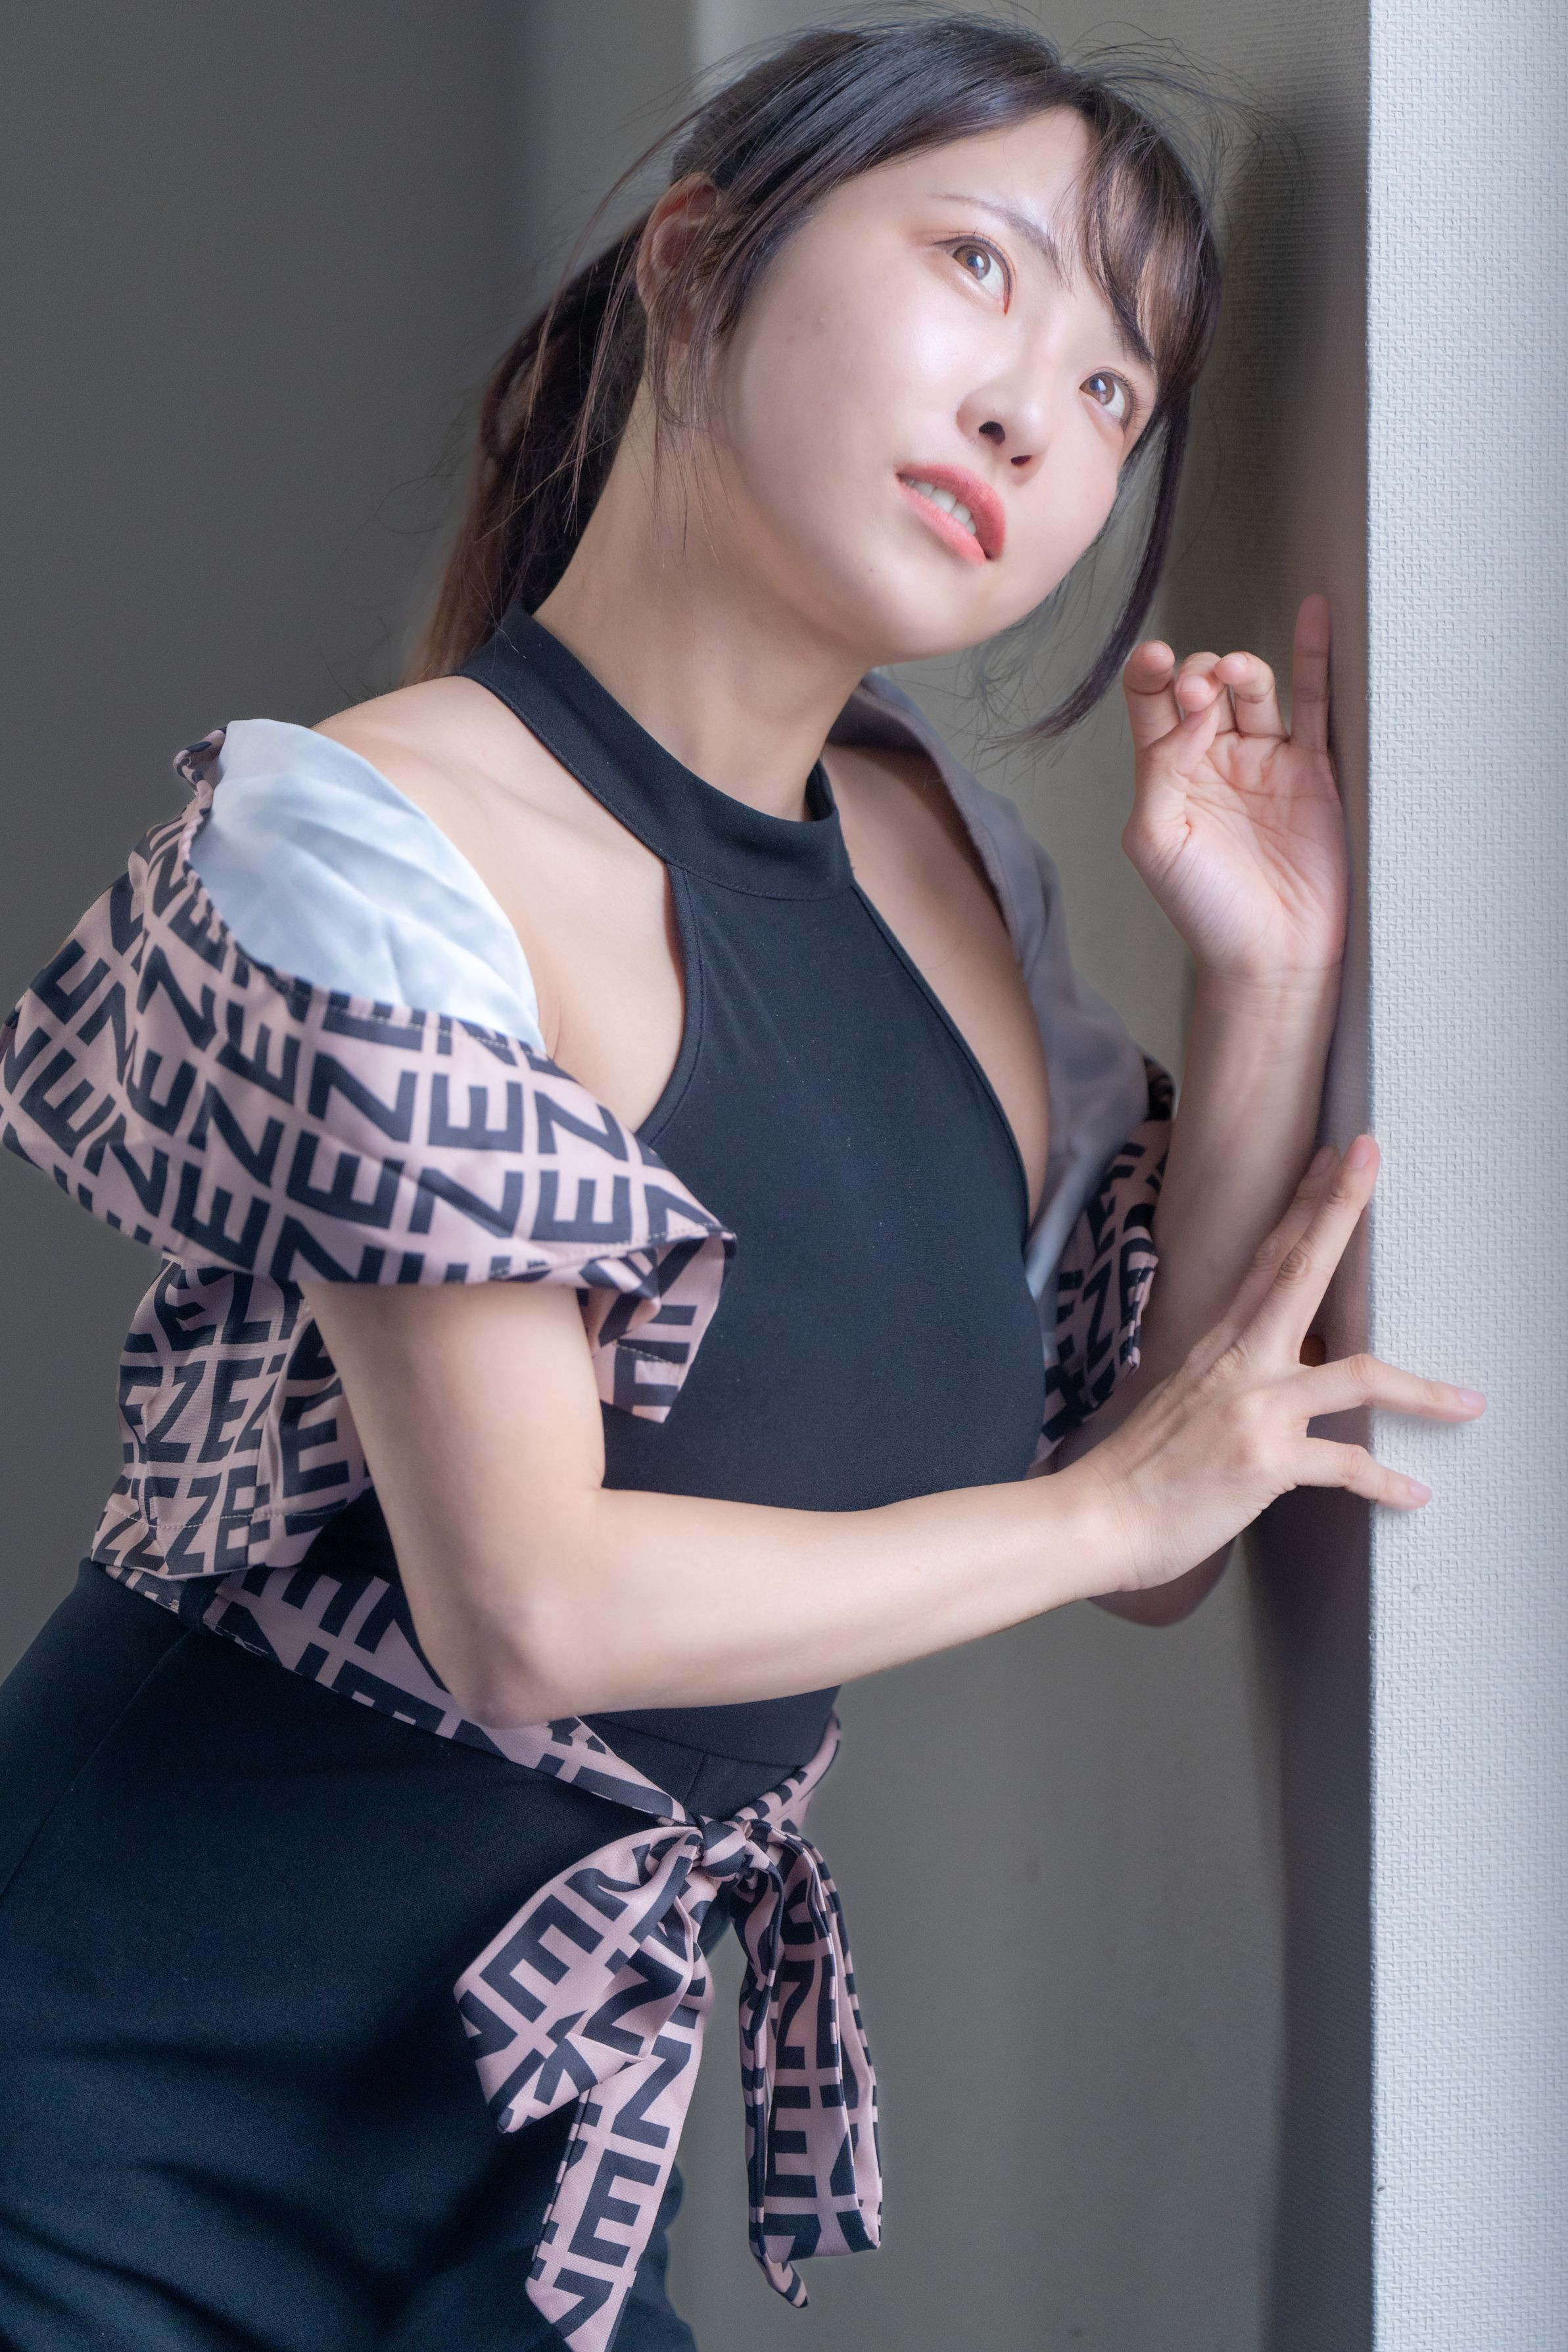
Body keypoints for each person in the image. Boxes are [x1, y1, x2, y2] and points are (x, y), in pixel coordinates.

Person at [0, 16, 1482, 2351]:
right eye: (978, 266)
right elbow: (528, 1604)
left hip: (526, 2137)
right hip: (104, 2104)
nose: (1037, 410)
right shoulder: (372, 844)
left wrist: (1273, 972)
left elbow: (1156, 1513)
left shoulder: (956, 874)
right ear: (697, 264)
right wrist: (1110, 1508)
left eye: (1116, 388)